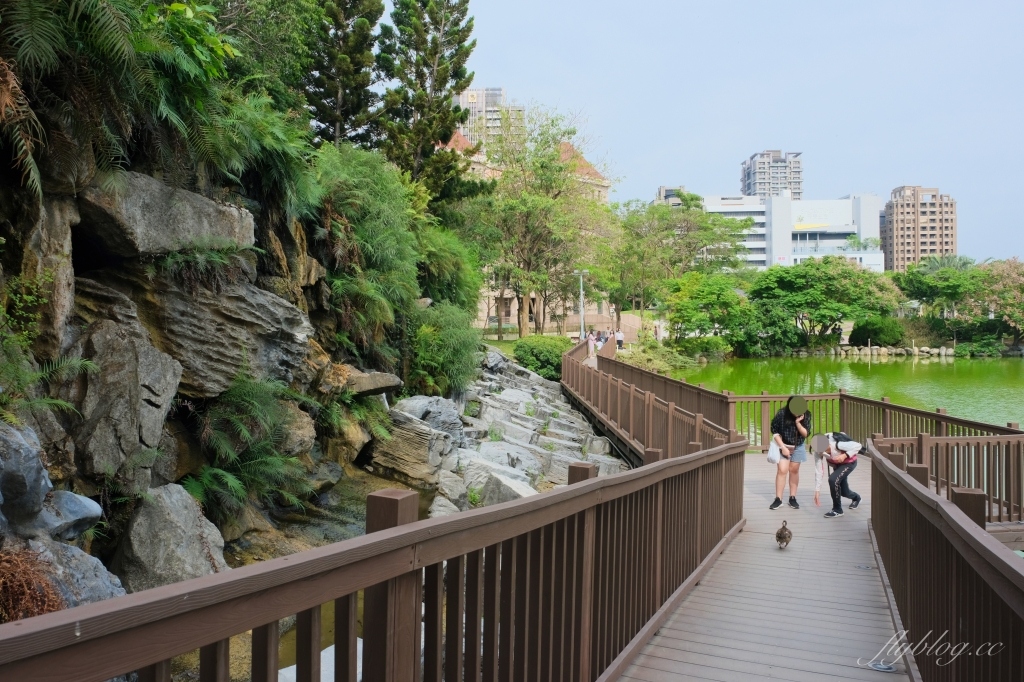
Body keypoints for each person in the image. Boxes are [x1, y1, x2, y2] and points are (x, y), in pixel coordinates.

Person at [769, 395, 811, 510]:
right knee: (782, 470)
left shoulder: (806, 414)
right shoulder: (781, 414)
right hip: (783, 444)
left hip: (798, 445)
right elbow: (774, 431)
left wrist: (798, 423)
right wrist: (783, 447)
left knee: (794, 470)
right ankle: (778, 499)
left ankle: (792, 498)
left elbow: (806, 434)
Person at [814, 432, 863, 518]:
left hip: (849, 463)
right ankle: (856, 498)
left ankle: (837, 510)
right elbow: (819, 471)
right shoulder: (818, 451)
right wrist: (817, 491)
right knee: (844, 492)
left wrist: (845, 455)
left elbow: (858, 445)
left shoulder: (838, 444)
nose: (821, 452)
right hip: (837, 466)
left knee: (833, 480)